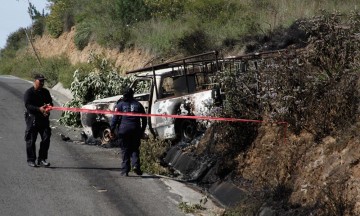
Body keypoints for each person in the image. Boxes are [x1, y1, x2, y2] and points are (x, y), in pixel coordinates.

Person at [110, 88, 147, 176]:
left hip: (123, 130)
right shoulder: (138, 104)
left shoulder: (120, 105)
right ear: (132, 94)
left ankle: (125, 170)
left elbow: (115, 119)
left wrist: (112, 130)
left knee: (125, 149)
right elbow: (144, 119)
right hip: (135, 129)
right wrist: (142, 130)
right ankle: (136, 166)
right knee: (134, 149)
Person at [24, 74, 53, 167]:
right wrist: (39, 109)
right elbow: (28, 106)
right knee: (31, 140)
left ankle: (42, 159)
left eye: (43, 81)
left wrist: (48, 108)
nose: (42, 83)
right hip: (32, 118)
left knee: (46, 137)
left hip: (43, 119)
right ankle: (31, 160)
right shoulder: (29, 92)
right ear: (35, 81)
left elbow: (50, 103)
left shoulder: (45, 92)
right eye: (40, 81)